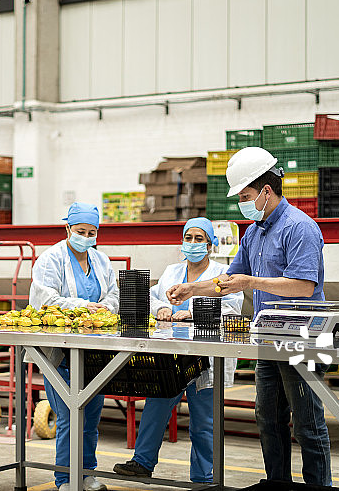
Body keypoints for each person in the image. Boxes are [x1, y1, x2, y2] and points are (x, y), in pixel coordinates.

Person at [165, 147, 331, 486]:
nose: (242, 202)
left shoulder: (300, 227)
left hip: (304, 338)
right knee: (268, 417)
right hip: (270, 336)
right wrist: (191, 290)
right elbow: (228, 282)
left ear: (266, 191)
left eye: (246, 195)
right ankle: (278, 483)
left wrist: (251, 282)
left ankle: (319, 485)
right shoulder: (254, 232)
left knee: (307, 422)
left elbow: (302, 286)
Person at [112, 217, 243, 483]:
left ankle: (204, 478)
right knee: (155, 406)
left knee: (204, 422)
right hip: (171, 355)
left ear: (210, 245)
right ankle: (142, 462)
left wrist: (190, 311)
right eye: (188, 238)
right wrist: (162, 309)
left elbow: (232, 308)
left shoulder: (224, 273)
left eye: (199, 239)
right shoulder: (172, 271)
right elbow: (152, 296)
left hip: (205, 356)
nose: (192, 244)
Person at [29, 202, 119, 491]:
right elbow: (45, 299)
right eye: (80, 231)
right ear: (67, 228)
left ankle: (87, 474)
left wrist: (103, 307)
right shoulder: (51, 259)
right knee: (68, 418)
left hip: (95, 352)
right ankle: (65, 479)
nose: (87, 237)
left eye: (92, 232)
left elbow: (114, 295)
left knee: (91, 418)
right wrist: (83, 307)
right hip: (61, 354)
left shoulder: (101, 260)